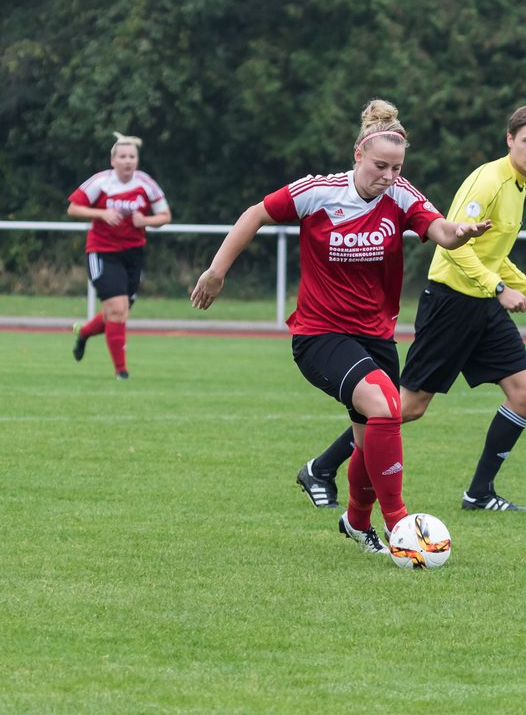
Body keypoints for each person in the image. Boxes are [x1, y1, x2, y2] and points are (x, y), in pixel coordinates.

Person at [190, 99, 491, 554]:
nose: (388, 176)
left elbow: (441, 232)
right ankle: (399, 525)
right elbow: (255, 214)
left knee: (369, 439)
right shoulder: (320, 191)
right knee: (388, 406)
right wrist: (216, 271)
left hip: (376, 337)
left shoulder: (401, 195)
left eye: (396, 167)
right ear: (357, 155)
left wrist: (460, 232)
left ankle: (355, 522)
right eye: (380, 166)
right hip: (319, 334)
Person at [297, 105, 526, 512]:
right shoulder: (490, 181)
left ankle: (479, 493)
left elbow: (491, 252)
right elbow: (456, 247)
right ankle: (323, 467)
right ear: (509, 140)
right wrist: (500, 287)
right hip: (452, 302)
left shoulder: (519, 184)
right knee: (404, 408)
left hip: (484, 302)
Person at [67, 132, 172, 379]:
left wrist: (145, 220)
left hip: (133, 254)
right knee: (117, 308)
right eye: (122, 156)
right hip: (102, 252)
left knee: (118, 312)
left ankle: (83, 333)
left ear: (137, 160)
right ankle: (121, 372)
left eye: (132, 156)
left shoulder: (146, 183)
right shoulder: (101, 182)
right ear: (113, 160)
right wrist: (101, 214)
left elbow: (165, 216)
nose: (127, 161)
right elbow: (73, 208)